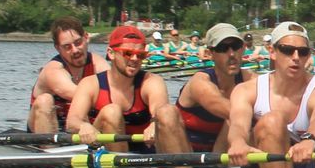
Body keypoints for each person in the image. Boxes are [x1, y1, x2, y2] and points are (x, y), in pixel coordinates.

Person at [226, 21, 315, 168]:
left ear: (308, 55)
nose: (296, 57)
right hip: (259, 165)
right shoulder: (246, 90)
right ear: (272, 51)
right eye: (287, 50)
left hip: (305, 163)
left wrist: (310, 139)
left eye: (303, 52)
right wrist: (238, 142)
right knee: (272, 121)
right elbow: (238, 124)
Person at [67, 24, 189, 152]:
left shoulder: (151, 81)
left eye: (140, 55)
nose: (135, 59)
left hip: (146, 148)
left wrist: (154, 123)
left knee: (168, 111)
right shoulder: (90, 84)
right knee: (111, 112)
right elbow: (72, 121)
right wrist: (83, 126)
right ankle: (119, 163)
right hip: (104, 149)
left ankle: (182, 165)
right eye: (128, 53)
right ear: (111, 53)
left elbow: (160, 108)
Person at [174, 22, 246, 153]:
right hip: (187, 152)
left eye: (236, 46)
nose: (231, 54)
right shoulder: (200, 82)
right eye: (223, 48)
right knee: (165, 113)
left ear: (243, 49)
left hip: (221, 151)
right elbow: (227, 109)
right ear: (209, 53)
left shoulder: (250, 78)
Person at [28, 17, 101, 133]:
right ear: (58, 48)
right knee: (44, 100)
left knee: (111, 110)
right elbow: (80, 95)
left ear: (86, 37)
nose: (75, 50)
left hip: (78, 127)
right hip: (46, 127)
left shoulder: (98, 63)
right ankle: (47, 144)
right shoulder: (53, 70)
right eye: (67, 47)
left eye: (78, 43)